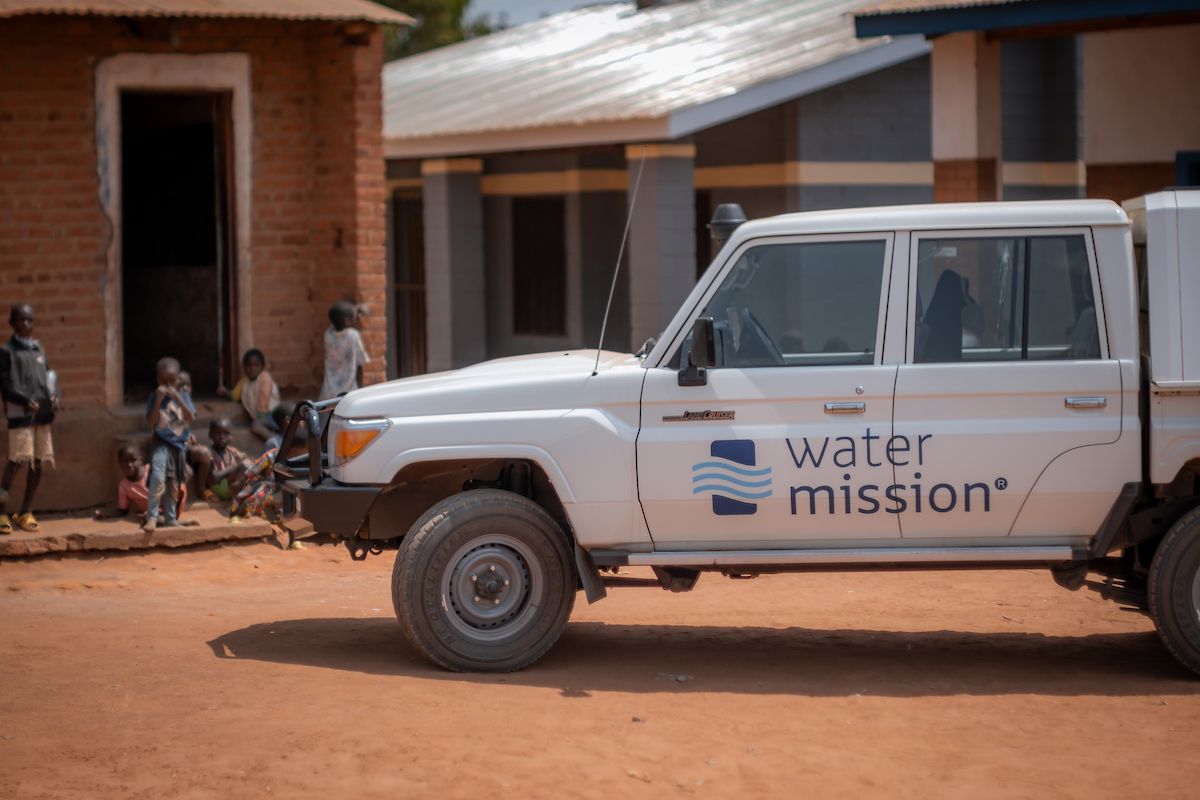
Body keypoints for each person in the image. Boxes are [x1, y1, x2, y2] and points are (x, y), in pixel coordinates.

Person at [0, 303, 60, 534]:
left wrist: (55, 397)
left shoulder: (38, 348)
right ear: (12, 323)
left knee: (38, 461)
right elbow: (4, 385)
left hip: (42, 415)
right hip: (20, 415)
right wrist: (24, 400)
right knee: (16, 461)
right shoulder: (6, 351)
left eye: (29, 320)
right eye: (21, 320)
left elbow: (49, 377)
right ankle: (2, 512)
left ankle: (25, 511)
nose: (26, 324)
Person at [231, 426, 308, 546]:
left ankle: (294, 540)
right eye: (304, 451)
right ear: (296, 450)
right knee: (259, 493)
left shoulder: (302, 461)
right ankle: (238, 513)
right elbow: (254, 468)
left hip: (290, 491)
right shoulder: (273, 455)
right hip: (270, 486)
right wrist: (240, 481)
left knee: (296, 509)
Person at [145, 356, 195, 532]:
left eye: (172, 381)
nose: (168, 385)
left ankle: (170, 518)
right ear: (158, 379)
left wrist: (178, 399)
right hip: (160, 443)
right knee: (158, 478)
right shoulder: (153, 397)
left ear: (178, 379)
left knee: (172, 484)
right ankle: (151, 517)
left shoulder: (184, 397)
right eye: (164, 381)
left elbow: (191, 417)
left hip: (178, 447)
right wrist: (159, 400)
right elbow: (151, 423)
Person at [219, 348, 280, 441]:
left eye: (256, 365)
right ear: (244, 367)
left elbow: (263, 396)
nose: (252, 369)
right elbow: (234, 396)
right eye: (249, 365)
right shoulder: (245, 382)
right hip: (260, 418)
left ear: (262, 366)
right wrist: (225, 392)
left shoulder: (264, 377)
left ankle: (277, 442)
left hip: (271, 415)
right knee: (256, 425)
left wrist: (260, 417)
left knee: (256, 426)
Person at [188, 417, 249, 503]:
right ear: (210, 435)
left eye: (226, 433)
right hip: (216, 488)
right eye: (217, 433)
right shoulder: (209, 453)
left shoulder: (232, 451)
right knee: (242, 466)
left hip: (231, 488)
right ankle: (203, 492)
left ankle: (241, 499)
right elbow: (215, 478)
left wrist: (244, 460)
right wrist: (236, 465)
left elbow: (244, 461)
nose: (222, 437)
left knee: (248, 466)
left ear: (231, 436)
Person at [320, 301, 370, 400]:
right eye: (354, 316)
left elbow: (334, 323)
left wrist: (353, 309)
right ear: (347, 321)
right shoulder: (352, 335)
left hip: (329, 388)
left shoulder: (328, 335)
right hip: (348, 388)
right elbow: (361, 360)